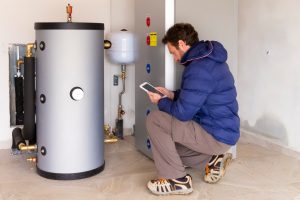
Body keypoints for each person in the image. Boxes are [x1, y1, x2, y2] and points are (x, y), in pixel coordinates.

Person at [145, 23, 240, 195]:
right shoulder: (208, 61)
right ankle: (211, 160)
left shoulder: (199, 68)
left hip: (215, 134)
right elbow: (198, 96)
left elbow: (183, 113)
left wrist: (161, 101)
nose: (174, 59)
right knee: (168, 153)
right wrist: (171, 94)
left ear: (181, 44)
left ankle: (177, 181)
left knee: (155, 120)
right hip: (222, 132)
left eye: (173, 53)